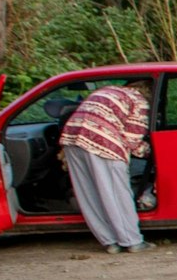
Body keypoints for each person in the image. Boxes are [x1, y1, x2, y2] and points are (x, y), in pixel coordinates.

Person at [59, 79, 154, 254]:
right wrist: (149, 152)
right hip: (103, 140)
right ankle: (132, 241)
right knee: (115, 191)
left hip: (71, 137)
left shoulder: (108, 90)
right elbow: (132, 139)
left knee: (88, 192)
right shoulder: (138, 101)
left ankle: (110, 241)